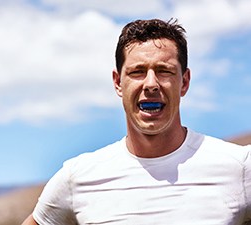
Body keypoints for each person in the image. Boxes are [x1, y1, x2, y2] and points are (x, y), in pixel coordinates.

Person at [22, 18, 251, 225]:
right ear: (118, 82)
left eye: (164, 71)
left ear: (184, 82)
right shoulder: (77, 177)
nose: (151, 84)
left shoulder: (239, 167)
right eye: (137, 72)